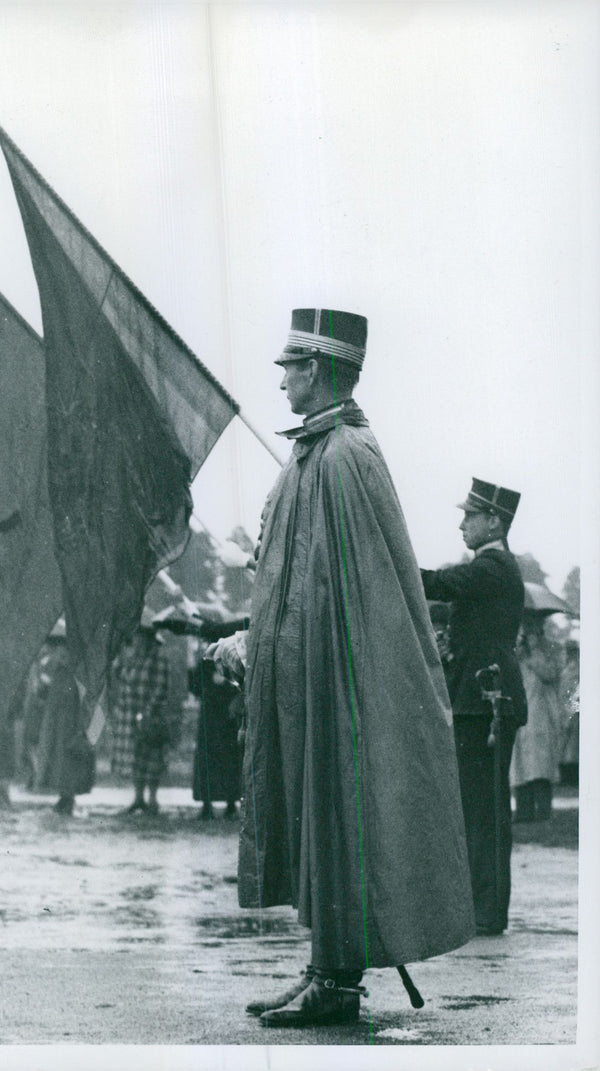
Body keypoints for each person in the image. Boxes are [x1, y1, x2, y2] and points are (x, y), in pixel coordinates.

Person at [208, 308, 474, 1027]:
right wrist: (257, 635)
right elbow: (295, 579)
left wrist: (273, 644)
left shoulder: (346, 457)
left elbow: (354, 592)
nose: (282, 381)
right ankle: (325, 968)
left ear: (319, 369)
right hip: (309, 675)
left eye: (291, 367)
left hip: (340, 681)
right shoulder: (313, 455)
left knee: (339, 819)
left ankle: (338, 982)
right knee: (318, 821)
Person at [421, 477, 527, 935]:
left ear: (494, 522)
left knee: (484, 810)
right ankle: (479, 906)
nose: (462, 524)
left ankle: (486, 910)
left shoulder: (493, 567)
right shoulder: (490, 569)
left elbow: (442, 583)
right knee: (478, 808)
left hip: (487, 701)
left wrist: (390, 559)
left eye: (471, 516)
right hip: (480, 698)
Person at [110, 616, 172, 814]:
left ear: (148, 638)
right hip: (129, 713)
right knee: (135, 757)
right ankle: (138, 798)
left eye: (139, 636)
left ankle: (152, 799)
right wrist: (121, 656)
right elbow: (119, 676)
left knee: (151, 757)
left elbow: (160, 688)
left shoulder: (158, 658)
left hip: (150, 715)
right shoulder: (131, 658)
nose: (136, 640)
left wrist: (147, 712)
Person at [25, 644, 95, 815]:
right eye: (59, 653)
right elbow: (44, 693)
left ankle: (68, 797)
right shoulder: (55, 672)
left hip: (71, 723)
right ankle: (64, 795)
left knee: (69, 761)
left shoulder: (79, 674)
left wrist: (82, 725)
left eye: (65, 654)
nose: (61, 658)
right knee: (57, 760)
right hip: (56, 724)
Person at [510, 617, 563, 821]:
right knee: (520, 762)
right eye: (526, 625)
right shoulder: (517, 648)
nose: (529, 629)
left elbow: (550, 674)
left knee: (540, 762)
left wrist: (534, 652)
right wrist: (519, 652)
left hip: (542, 712)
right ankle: (523, 811)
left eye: (533, 625)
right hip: (520, 708)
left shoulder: (553, 648)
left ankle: (542, 810)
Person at [188, 654, 241, 819]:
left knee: (229, 759)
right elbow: (195, 687)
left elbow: (241, 685)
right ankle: (207, 804)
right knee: (208, 759)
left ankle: (230, 804)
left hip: (227, 717)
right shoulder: (205, 662)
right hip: (210, 717)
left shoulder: (233, 658)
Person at [559, 639, 580, 786]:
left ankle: (572, 776)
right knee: (564, 745)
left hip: (573, 710)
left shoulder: (578, 669)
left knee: (573, 746)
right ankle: (564, 775)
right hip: (562, 708)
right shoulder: (565, 668)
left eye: (572, 650)